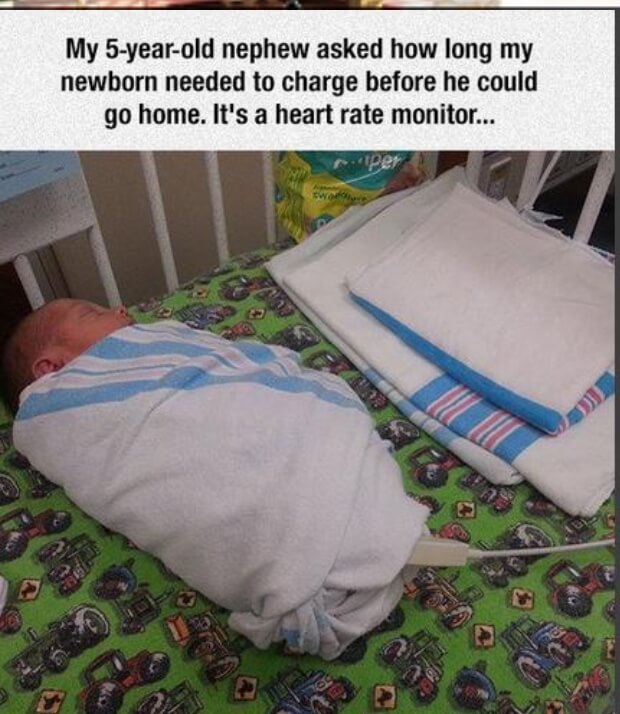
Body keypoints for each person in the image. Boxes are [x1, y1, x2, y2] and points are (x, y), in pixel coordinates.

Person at [2, 298, 428, 660]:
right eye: (93, 313)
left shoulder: (161, 346)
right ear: (51, 369)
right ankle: (317, 545)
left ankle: (335, 535)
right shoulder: (62, 415)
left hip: (297, 437)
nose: (120, 310)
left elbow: (230, 368)